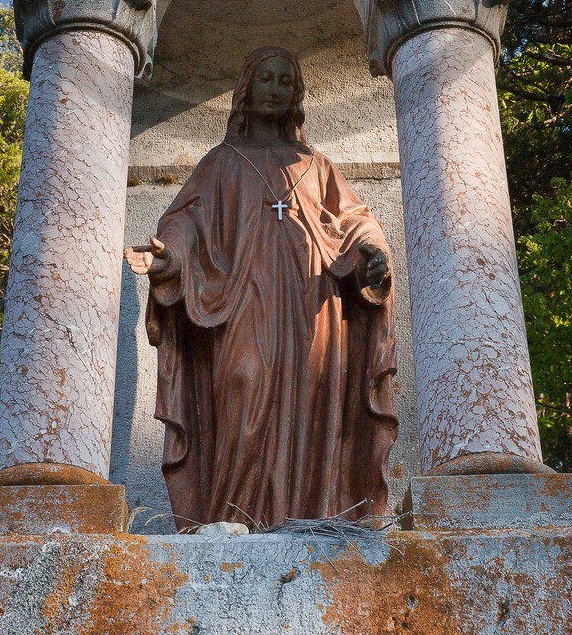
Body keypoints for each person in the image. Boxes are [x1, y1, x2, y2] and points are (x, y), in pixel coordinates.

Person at [125, 46, 397, 531]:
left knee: (311, 406)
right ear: (246, 91)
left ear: (296, 95)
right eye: (266, 79)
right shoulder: (220, 163)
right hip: (242, 302)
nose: (275, 88)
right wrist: (170, 255)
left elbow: (356, 221)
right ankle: (229, 519)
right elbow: (186, 221)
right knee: (243, 385)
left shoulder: (318, 166)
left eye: (285, 81)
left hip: (312, 301)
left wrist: (373, 251)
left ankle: (309, 517)